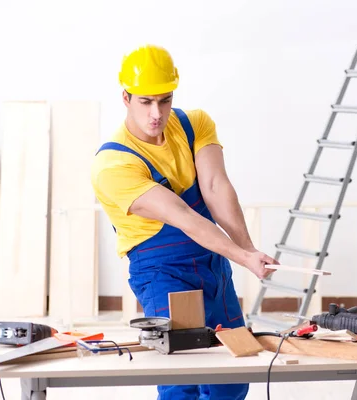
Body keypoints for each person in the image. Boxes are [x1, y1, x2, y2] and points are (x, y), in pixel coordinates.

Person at [91, 44, 278, 400]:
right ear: (126, 98)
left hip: (213, 264)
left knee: (233, 371)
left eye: (165, 100)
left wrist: (247, 248)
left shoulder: (195, 124)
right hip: (162, 272)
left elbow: (215, 187)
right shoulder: (112, 164)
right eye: (145, 101)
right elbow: (184, 217)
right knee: (182, 375)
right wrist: (243, 257)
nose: (156, 113)